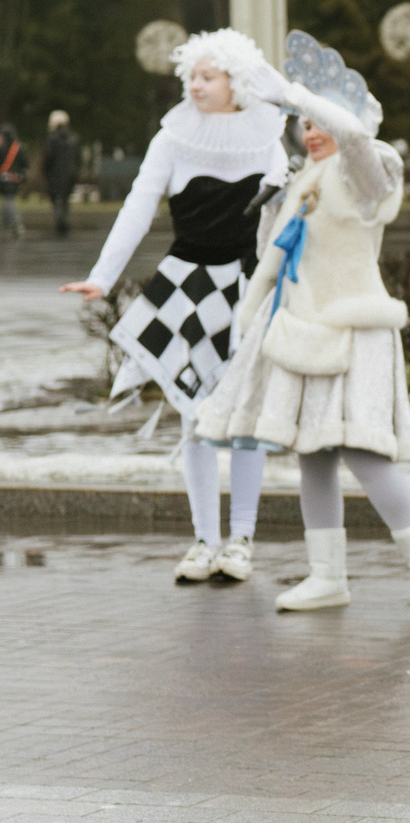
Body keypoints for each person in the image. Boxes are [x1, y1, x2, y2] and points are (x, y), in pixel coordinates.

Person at [195, 34, 410, 618]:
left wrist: (293, 92)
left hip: (356, 330)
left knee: (366, 453)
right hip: (301, 331)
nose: (309, 130)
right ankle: (326, 576)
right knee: (311, 454)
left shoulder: (369, 169)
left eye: (318, 120)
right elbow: (273, 260)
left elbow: (358, 139)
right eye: (301, 122)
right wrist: (248, 320)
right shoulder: (302, 180)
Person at [61, 30, 288, 584]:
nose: (195, 84)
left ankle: (242, 541)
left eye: (207, 76)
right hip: (184, 289)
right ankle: (204, 541)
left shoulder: (267, 137)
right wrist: (102, 276)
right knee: (195, 415)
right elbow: (138, 204)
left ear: (235, 80)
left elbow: (288, 213)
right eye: (191, 75)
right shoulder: (173, 136)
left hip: (245, 287)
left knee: (245, 421)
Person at [43, 111, 78, 236]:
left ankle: (61, 221)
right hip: (71, 173)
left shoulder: (52, 138)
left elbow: (49, 158)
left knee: (55, 198)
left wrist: (47, 172)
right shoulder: (73, 137)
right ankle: (64, 219)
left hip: (56, 174)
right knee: (66, 199)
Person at [0, 120, 21, 238]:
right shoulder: (17, 147)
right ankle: (9, 223)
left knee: (8, 201)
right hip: (13, 179)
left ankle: (15, 223)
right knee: (8, 201)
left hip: (7, 180)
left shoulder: (4, 148)